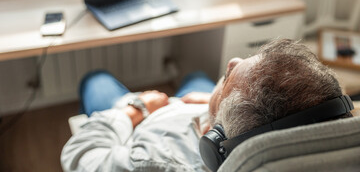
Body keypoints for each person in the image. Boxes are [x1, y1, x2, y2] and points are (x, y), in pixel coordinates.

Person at [61, 39, 352, 171]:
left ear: (217, 142)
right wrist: (211, 104)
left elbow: (81, 155)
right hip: (193, 109)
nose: (233, 62)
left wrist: (135, 108)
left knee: (95, 80)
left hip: (144, 117)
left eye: (228, 80)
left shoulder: (154, 162)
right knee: (197, 78)